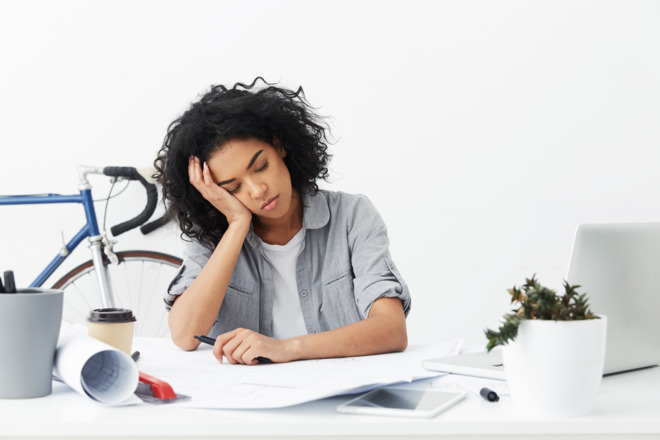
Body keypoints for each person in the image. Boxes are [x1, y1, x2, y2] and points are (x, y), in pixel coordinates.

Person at [155, 78, 411, 365]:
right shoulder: (213, 235)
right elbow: (185, 335)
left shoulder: (352, 216)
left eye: (260, 166)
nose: (257, 190)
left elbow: (392, 330)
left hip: (339, 393)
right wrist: (238, 223)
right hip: (250, 398)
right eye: (232, 187)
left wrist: (286, 348)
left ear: (279, 145)